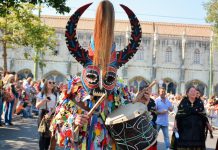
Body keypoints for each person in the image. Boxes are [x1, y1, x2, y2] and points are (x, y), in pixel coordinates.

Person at [50, 1, 156, 149]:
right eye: (93, 76)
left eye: (109, 77)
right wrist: (74, 120)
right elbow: (56, 124)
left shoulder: (119, 90)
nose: (100, 84)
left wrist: (139, 103)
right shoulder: (72, 88)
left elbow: (127, 118)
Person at [36, 80, 56, 150]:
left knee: (49, 135)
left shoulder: (55, 95)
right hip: (42, 114)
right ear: (46, 84)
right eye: (50, 82)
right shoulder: (41, 94)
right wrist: (44, 100)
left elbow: (56, 106)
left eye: (53, 82)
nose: (52, 84)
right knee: (42, 134)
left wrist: (50, 113)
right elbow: (37, 106)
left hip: (51, 115)